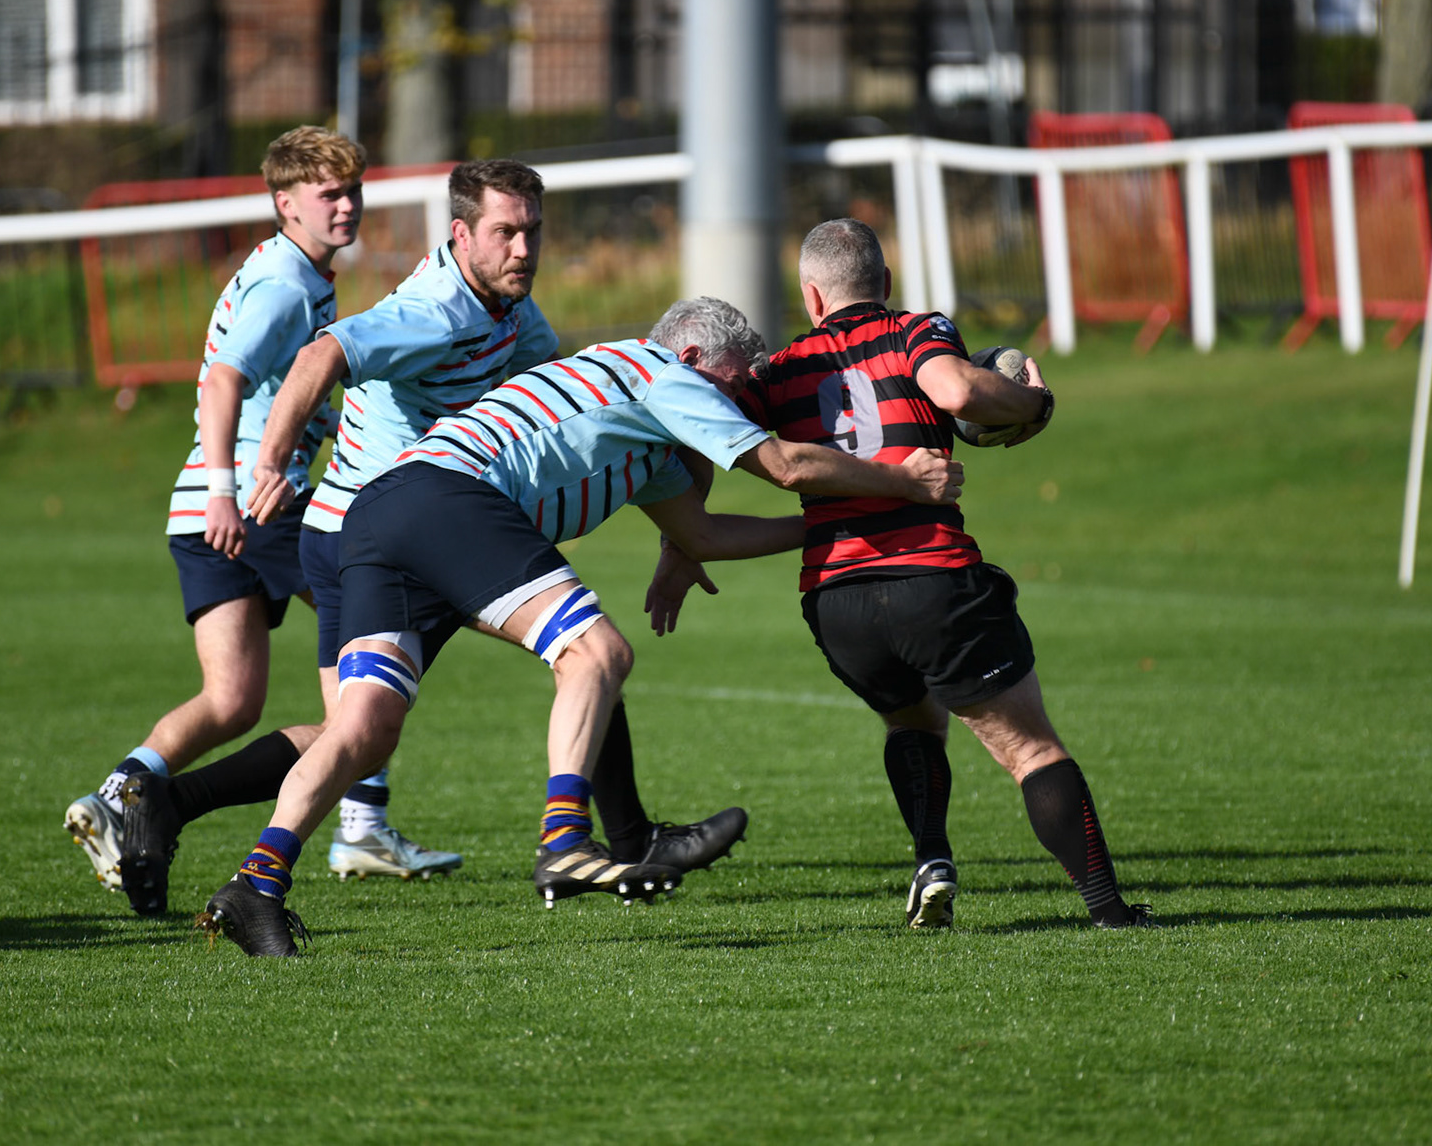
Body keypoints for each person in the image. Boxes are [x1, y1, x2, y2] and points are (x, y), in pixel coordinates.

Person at [193, 297, 964, 956]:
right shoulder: (663, 372)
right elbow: (787, 466)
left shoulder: (644, 420)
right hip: (442, 496)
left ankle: (254, 886)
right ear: (695, 355)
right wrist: (899, 484)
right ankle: (564, 842)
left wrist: (828, 532)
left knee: (363, 727)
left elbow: (703, 536)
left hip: (385, 513)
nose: (737, 405)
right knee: (597, 650)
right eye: (733, 387)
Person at [113, 162, 747, 916]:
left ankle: (171, 805)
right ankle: (609, 838)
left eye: (532, 231)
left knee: (362, 730)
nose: (523, 248)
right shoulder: (437, 309)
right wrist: (270, 464)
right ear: (461, 234)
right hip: (388, 522)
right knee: (581, 648)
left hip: (411, 519)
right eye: (506, 232)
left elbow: (573, 403)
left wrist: (679, 521)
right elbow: (322, 357)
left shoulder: (508, 309)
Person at [667, 217, 1153, 932]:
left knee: (911, 718)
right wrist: (1034, 403)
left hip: (837, 604)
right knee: (1030, 749)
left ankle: (932, 857)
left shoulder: (778, 371)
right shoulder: (915, 331)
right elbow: (957, 393)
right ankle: (1111, 912)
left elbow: (701, 434)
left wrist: (680, 548)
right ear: (885, 286)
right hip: (931, 580)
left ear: (812, 296)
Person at [63, 126, 456, 911]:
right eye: (329, 195)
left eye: (353, 191)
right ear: (286, 204)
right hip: (258, 505)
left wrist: (213, 494)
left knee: (231, 701)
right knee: (378, 649)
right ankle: (362, 826)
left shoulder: (288, 269)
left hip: (207, 507)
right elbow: (222, 382)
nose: (346, 206)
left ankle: (119, 795)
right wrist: (227, 490)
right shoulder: (284, 285)